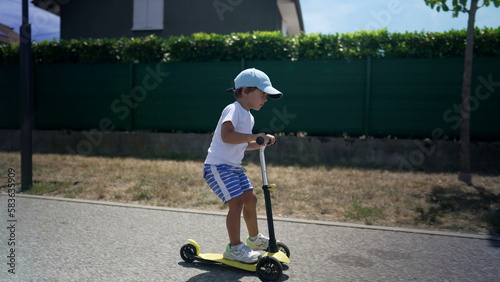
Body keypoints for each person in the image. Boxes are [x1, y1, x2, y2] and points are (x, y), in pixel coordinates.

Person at [203, 68, 283, 264]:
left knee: (251, 198)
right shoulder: (233, 109)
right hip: (218, 166)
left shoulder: (249, 116)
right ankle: (234, 248)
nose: (265, 99)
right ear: (246, 91)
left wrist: (260, 142)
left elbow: (243, 143)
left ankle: (254, 239)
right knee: (236, 202)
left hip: (234, 167)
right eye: (263, 94)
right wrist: (254, 136)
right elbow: (227, 135)